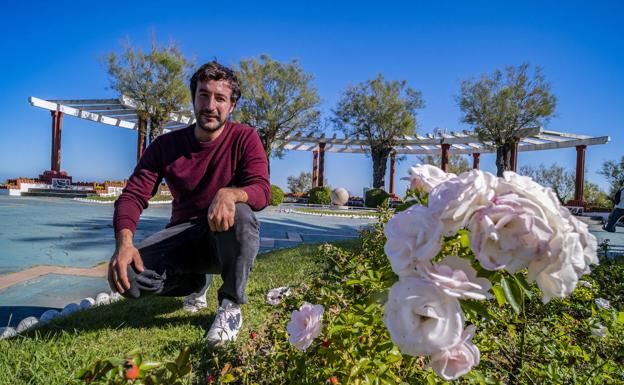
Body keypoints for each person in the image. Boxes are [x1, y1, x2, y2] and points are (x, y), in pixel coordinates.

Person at [107, 61, 270, 344]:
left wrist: (231, 193)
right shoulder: (165, 146)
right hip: (182, 236)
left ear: (231, 105)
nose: (210, 105)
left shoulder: (245, 138)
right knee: (127, 279)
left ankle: (230, 306)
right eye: (203, 95)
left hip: (223, 235)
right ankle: (194, 282)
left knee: (242, 214)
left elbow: (261, 190)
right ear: (193, 99)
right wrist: (124, 244)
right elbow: (133, 195)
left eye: (220, 98)